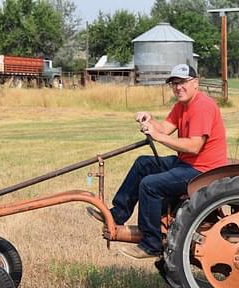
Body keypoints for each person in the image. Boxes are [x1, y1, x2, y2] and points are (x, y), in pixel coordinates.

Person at [88, 64, 228, 259]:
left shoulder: (202, 106)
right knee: (143, 163)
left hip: (202, 172)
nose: (178, 87)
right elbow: (164, 128)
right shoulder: (182, 105)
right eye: (174, 83)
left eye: (183, 83)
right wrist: (150, 119)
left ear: (195, 83)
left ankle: (151, 243)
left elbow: (194, 146)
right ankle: (116, 214)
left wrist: (158, 136)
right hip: (186, 164)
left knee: (150, 185)